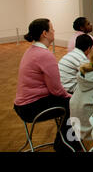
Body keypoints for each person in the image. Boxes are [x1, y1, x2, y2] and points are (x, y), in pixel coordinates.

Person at [14, 18, 78, 152]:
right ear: (45, 33)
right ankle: (66, 145)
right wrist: (71, 97)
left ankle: (65, 141)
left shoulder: (32, 50)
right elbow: (56, 90)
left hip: (24, 105)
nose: (54, 31)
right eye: (52, 29)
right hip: (31, 107)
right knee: (75, 104)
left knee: (71, 101)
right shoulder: (44, 55)